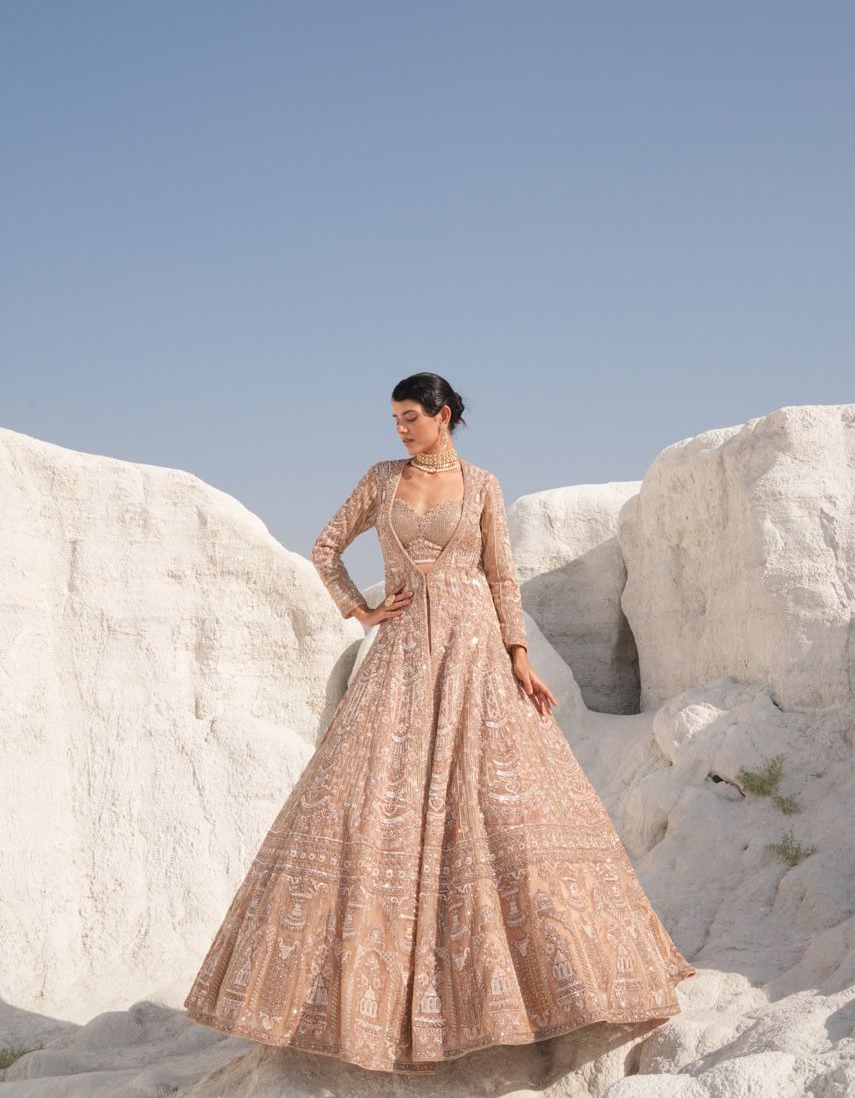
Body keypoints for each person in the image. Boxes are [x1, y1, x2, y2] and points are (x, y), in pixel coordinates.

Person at [182, 371, 695, 1073]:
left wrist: (518, 654)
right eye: (393, 418)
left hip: (472, 651)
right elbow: (325, 547)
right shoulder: (381, 478)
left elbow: (501, 574)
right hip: (399, 655)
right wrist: (360, 613)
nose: (399, 428)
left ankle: (540, 995)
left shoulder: (483, 485)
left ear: (443, 415)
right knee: (363, 804)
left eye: (409, 418)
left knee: (496, 806)